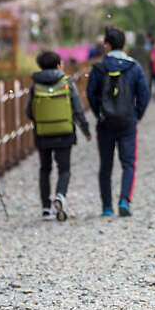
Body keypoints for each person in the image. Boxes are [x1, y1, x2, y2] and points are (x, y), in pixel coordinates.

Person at [86, 27, 150, 217]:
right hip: (127, 122)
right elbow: (144, 94)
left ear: (107, 44)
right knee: (128, 163)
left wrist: (99, 113)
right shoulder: (134, 66)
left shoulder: (98, 67)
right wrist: (136, 114)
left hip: (105, 123)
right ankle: (124, 200)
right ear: (124, 44)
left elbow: (91, 93)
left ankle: (107, 207)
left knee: (106, 164)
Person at [26, 50, 91, 221]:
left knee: (44, 169)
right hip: (64, 132)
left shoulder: (35, 86)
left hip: (43, 132)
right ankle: (60, 195)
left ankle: (46, 208)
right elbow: (77, 109)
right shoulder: (66, 82)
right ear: (58, 65)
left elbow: (29, 111)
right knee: (64, 169)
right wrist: (86, 130)